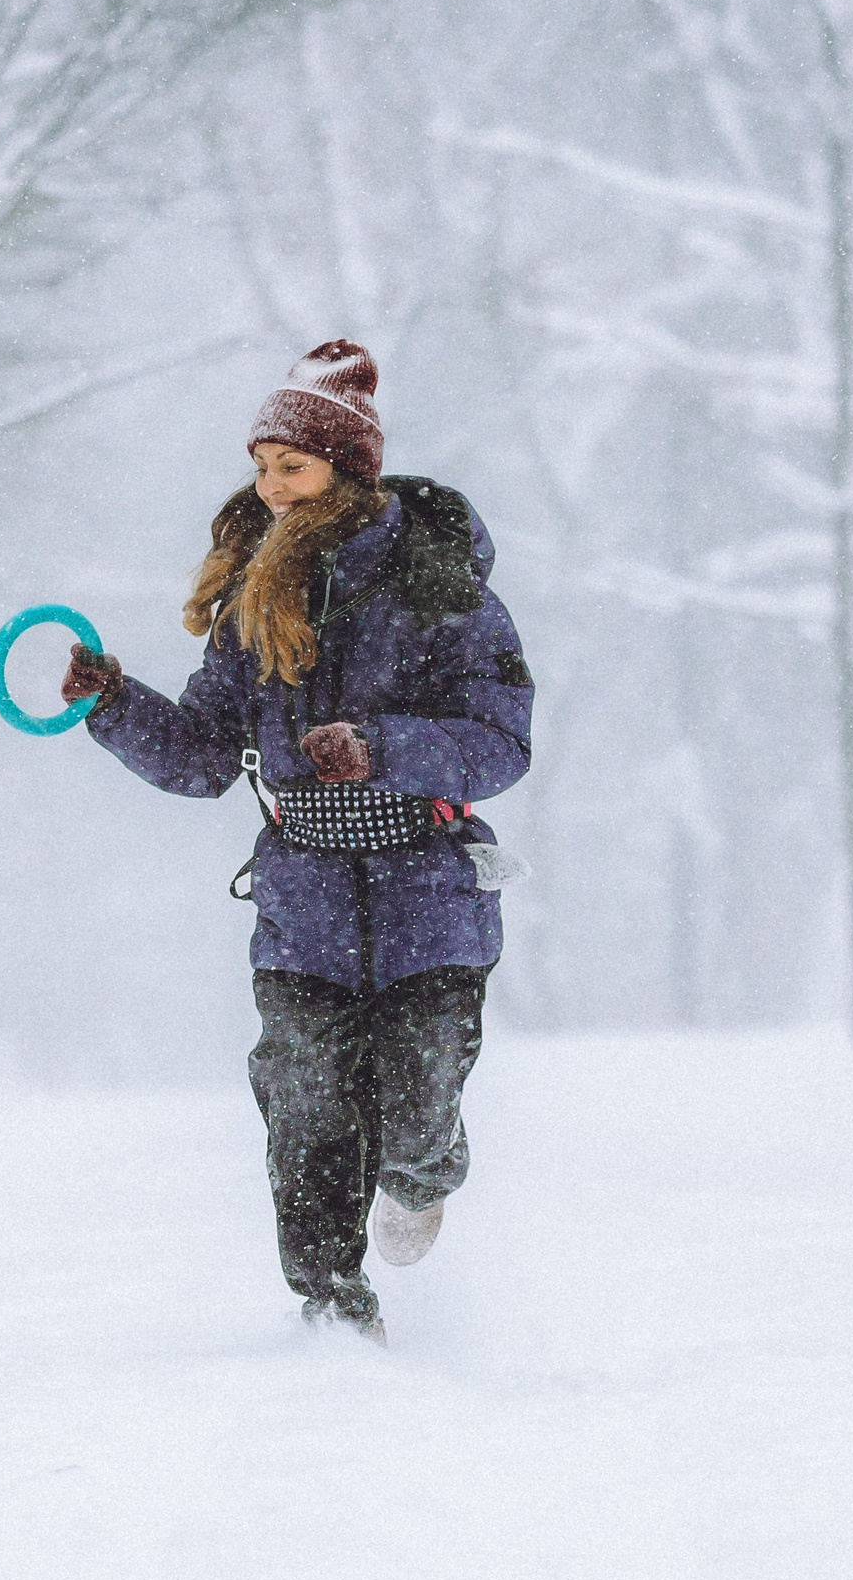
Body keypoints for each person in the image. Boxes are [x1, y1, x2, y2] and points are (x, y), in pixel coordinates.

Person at [62, 339, 533, 1343]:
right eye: (262, 466)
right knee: (307, 1106)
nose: (271, 488)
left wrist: (380, 748)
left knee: (412, 1110)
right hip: (303, 905)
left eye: (293, 466)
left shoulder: (444, 595)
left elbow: (499, 745)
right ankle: (331, 1309)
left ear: (347, 469)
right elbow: (196, 758)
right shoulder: (251, 605)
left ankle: (421, 1174)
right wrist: (111, 703)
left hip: (429, 901)